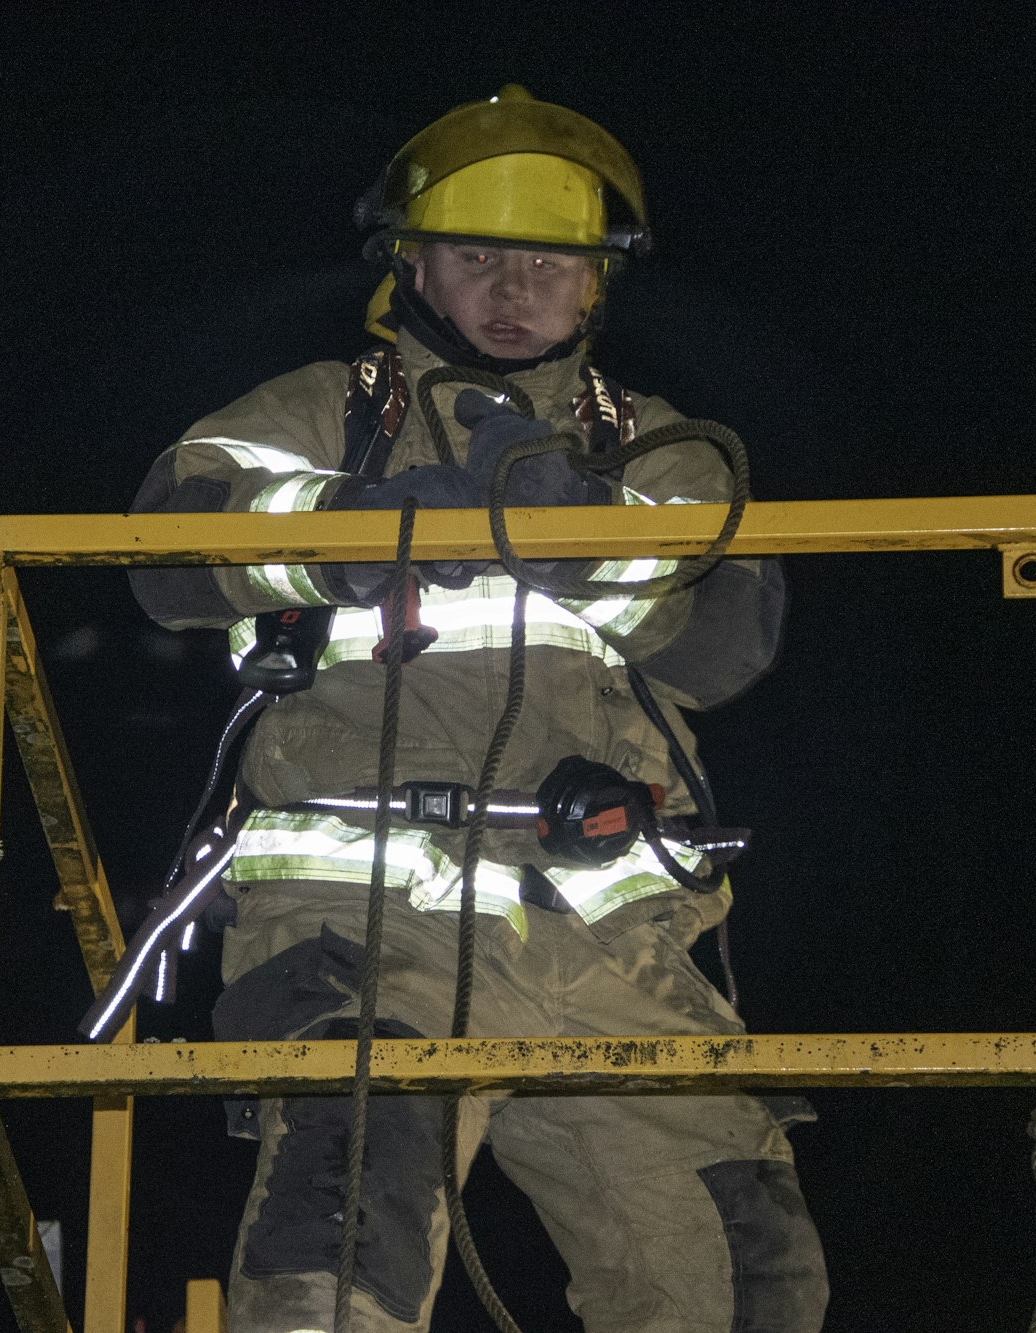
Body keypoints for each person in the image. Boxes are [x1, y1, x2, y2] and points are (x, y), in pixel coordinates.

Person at [128, 85, 825, 1333]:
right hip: (358, 926)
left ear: (596, 284)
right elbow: (161, 552)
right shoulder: (314, 413)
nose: (513, 293)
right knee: (339, 1246)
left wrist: (580, 532)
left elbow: (728, 643)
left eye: (548, 266)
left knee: (739, 1272)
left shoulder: (659, 450)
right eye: (476, 258)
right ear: (413, 269)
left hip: (610, 945)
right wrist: (349, 529)